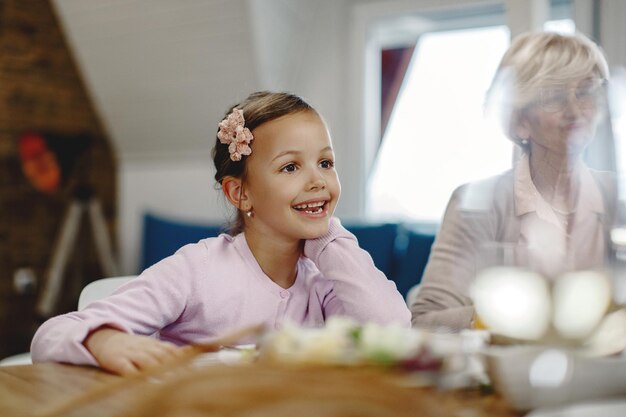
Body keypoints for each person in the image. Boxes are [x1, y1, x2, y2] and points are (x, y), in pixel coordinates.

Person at [31, 91, 411, 375]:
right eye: (290, 167)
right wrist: (104, 338)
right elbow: (51, 334)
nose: (318, 180)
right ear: (239, 192)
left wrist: (328, 238)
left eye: (326, 162)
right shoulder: (197, 270)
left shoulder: (327, 279)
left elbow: (395, 333)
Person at [410, 31, 616, 330]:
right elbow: (426, 320)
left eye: (585, 91)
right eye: (554, 97)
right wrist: (517, 316)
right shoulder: (475, 203)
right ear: (520, 120)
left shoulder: (617, 197)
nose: (575, 110)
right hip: (510, 373)